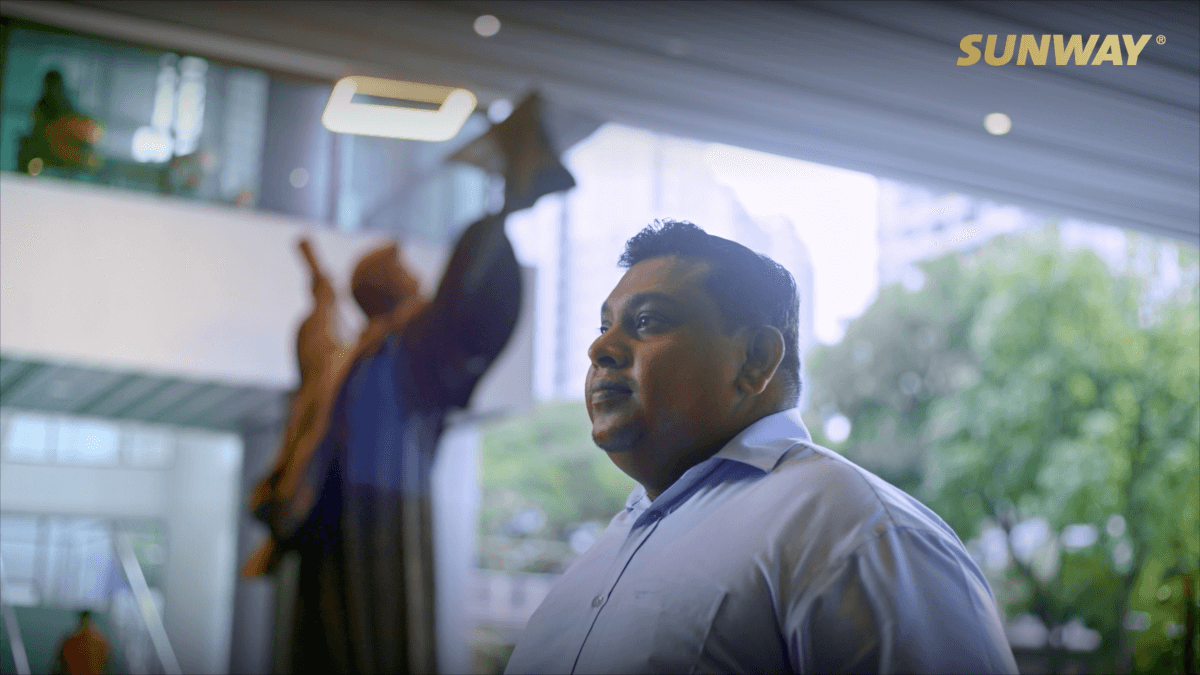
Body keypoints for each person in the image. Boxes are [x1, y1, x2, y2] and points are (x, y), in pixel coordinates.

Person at [505, 220, 1019, 674]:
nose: (599, 348)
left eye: (647, 322)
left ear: (756, 358)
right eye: (604, 325)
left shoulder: (859, 530)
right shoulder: (604, 551)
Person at [245, 92, 594, 674]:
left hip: (350, 512)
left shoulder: (373, 354)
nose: (417, 276)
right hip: (377, 513)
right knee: (376, 639)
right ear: (390, 288)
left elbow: (465, 308)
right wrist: (500, 211)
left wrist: (498, 215)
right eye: (405, 271)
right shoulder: (392, 351)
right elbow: (467, 310)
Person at [52, 610, 109, 675]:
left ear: (80, 619)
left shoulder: (70, 639)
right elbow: (106, 667)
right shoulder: (101, 641)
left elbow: (58, 664)